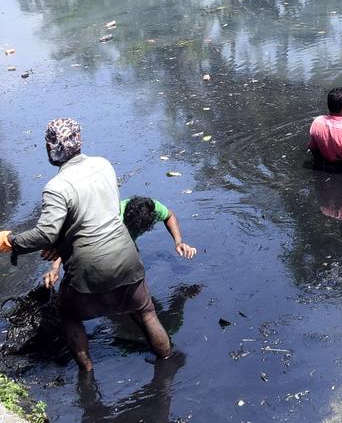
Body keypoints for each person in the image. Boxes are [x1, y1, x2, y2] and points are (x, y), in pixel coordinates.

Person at [0, 119, 174, 372]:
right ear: (78, 141)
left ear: (51, 147)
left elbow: (46, 234)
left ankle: (87, 376)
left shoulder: (56, 187)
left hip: (88, 267)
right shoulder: (103, 165)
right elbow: (101, 217)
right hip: (127, 258)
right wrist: (62, 244)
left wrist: (10, 242)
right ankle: (168, 362)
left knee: (69, 316)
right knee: (146, 311)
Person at [42, 196, 197, 289]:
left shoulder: (152, 207)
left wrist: (178, 242)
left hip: (126, 243)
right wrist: (55, 269)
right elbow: (72, 239)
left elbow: (169, 216)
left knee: (135, 273)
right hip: (105, 244)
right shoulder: (109, 218)